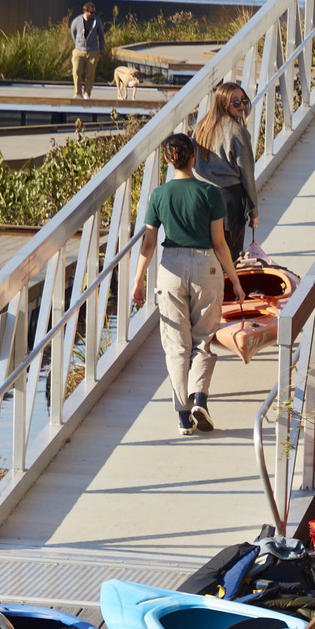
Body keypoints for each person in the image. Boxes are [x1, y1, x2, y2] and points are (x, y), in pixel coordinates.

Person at [132, 132, 245, 436]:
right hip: (206, 266)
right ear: (194, 156)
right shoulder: (211, 193)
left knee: (175, 346)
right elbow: (221, 244)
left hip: (171, 267)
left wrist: (138, 280)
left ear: (169, 159)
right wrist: (234, 280)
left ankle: (183, 416)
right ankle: (200, 399)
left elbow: (148, 243)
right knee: (204, 339)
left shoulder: (158, 195)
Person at [194, 81, 259, 262]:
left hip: (203, 198)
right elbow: (247, 175)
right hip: (229, 201)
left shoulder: (202, 127)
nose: (242, 106)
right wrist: (253, 212)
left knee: (207, 255)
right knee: (229, 256)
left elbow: (193, 163)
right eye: (235, 102)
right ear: (223, 104)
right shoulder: (237, 131)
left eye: (243, 100)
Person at [69, 2, 105, 99]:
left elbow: (101, 36)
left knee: (90, 73)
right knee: (76, 71)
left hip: (92, 51)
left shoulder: (97, 21)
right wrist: (78, 43)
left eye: (94, 13)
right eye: (91, 12)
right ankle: (77, 93)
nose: (93, 14)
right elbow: (73, 32)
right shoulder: (77, 21)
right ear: (85, 11)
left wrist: (102, 50)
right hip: (79, 50)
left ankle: (87, 93)